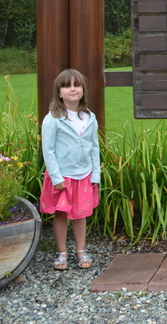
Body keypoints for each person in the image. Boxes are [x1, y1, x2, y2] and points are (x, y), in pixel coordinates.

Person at [40, 69, 101, 270]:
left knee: (80, 214)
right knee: (61, 215)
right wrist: (56, 177)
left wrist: (95, 174)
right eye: (66, 86)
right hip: (63, 176)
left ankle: (81, 251)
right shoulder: (53, 119)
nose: (72, 89)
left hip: (84, 175)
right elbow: (48, 151)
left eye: (77, 85)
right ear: (59, 92)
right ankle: (62, 252)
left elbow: (94, 147)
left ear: (83, 90)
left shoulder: (89, 117)